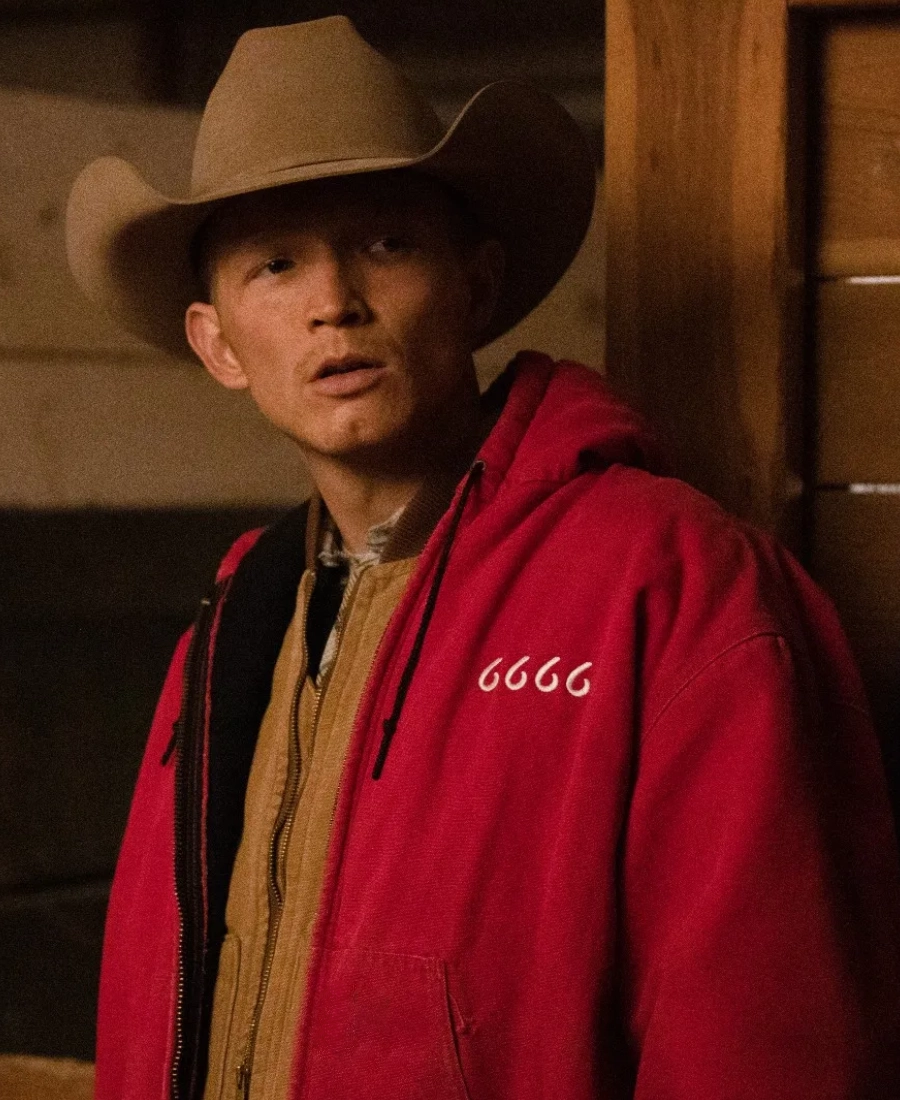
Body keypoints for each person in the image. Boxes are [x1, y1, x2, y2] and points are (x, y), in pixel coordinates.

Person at [66, 16, 900, 1100]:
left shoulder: (672, 584)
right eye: (275, 264)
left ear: (479, 282)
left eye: (385, 244)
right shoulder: (226, 635)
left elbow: (771, 1053)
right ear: (218, 341)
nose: (334, 303)